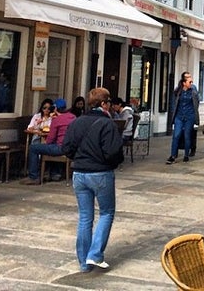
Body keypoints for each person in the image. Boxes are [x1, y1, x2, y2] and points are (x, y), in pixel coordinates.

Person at [62, 87, 124, 272]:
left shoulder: (77, 122)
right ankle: (95, 254)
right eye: (109, 102)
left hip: (79, 173)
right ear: (104, 104)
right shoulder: (108, 124)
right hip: (100, 173)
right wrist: (111, 162)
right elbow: (113, 152)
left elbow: (67, 147)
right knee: (106, 212)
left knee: (85, 216)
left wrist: (79, 158)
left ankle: (83, 262)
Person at [22, 98, 76, 184]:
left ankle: (34, 177)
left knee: (33, 148)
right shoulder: (73, 117)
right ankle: (54, 173)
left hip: (61, 148)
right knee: (52, 147)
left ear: (55, 108)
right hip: (71, 147)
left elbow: (50, 139)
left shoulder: (57, 120)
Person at [166, 71, 200, 164]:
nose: (191, 84)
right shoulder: (178, 91)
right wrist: (174, 112)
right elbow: (174, 102)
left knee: (187, 135)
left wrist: (195, 115)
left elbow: (197, 102)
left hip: (189, 116)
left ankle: (186, 155)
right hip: (179, 116)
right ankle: (173, 155)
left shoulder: (193, 91)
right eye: (189, 82)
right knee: (176, 135)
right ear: (184, 83)